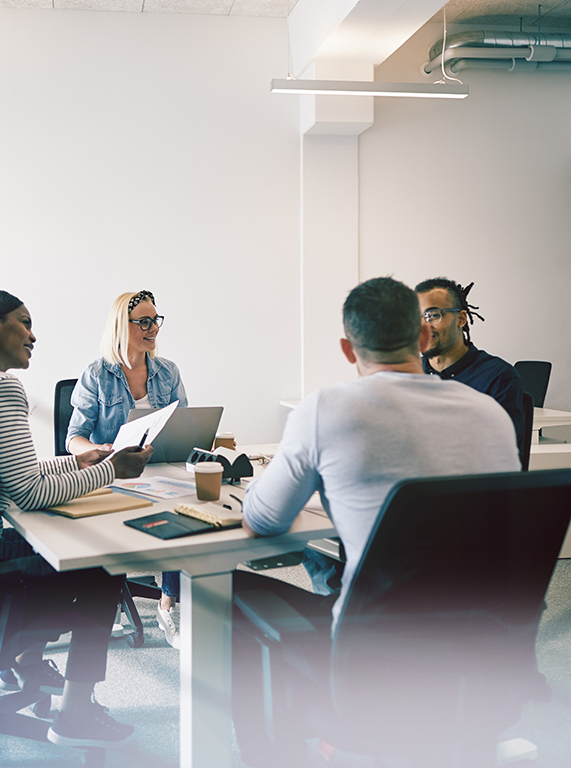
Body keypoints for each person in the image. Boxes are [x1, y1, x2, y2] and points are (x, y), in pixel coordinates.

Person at [232, 277, 521, 766]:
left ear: (348, 349)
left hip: (373, 657)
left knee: (230, 594)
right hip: (479, 649)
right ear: (423, 338)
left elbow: (262, 519)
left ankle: (278, 751)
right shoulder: (490, 414)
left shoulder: (324, 409)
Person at [0, 288, 153, 748]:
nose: (33, 335)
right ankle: (75, 713)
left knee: (53, 547)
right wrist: (111, 471)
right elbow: (28, 491)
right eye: (24, 322)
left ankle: (22, 660)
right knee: (104, 564)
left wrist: (83, 462)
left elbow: (13, 475)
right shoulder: (1, 387)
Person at [66, 289, 187, 649]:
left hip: (163, 472)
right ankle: (111, 597)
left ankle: (168, 602)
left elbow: (184, 425)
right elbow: (73, 438)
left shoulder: (168, 372)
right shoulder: (96, 375)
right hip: (116, 476)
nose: (154, 329)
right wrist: (99, 450)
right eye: (145, 322)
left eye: (156, 321)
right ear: (123, 326)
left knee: (189, 514)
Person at [415, 277, 525, 445]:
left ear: (461, 319)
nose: (424, 326)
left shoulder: (498, 377)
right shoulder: (408, 374)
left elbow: (502, 453)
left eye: (433, 315)